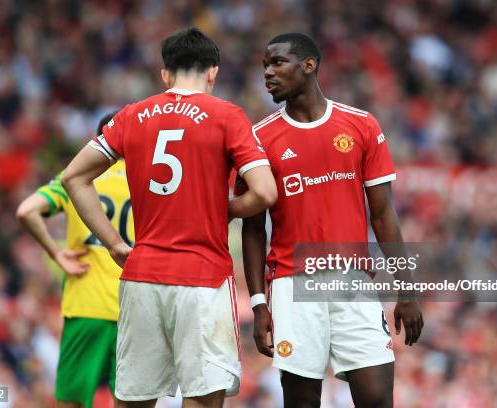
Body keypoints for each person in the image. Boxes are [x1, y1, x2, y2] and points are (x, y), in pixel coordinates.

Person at [60, 28, 277, 408]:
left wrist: (114, 242)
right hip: (202, 276)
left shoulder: (132, 115)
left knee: (133, 399)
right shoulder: (227, 116)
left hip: (142, 275)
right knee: (202, 398)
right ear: (213, 72)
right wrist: (222, 209)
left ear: (165, 73)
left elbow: (73, 178)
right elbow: (264, 192)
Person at [239, 33, 424, 407]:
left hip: (353, 282)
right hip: (292, 287)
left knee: (376, 399)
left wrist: (407, 289)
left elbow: (384, 215)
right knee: (302, 402)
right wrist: (259, 304)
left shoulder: (361, 126)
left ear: (309, 65)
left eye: (277, 63)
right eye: (265, 65)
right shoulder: (258, 139)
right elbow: (254, 228)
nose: (268, 73)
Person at [15, 112, 133, 408]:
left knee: (72, 402)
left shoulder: (77, 178)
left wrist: (56, 253)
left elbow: (26, 210)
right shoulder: (149, 183)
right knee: (132, 401)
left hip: (86, 306)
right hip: (135, 309)